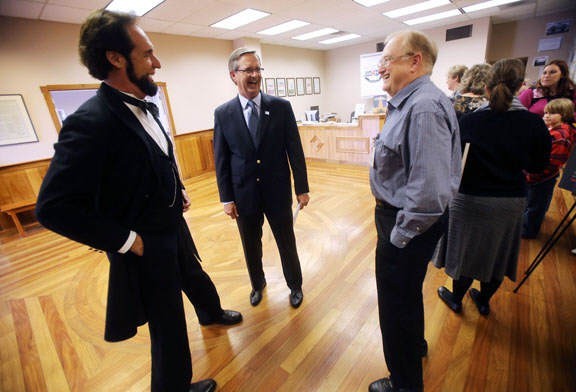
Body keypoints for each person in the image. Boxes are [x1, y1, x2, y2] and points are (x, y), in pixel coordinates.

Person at [35, 9, 242, 392]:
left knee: (193, 273)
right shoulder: (90, 121)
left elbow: (154, 158)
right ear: (115, 58)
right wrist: (127, 241)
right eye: (147, 54)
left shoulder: (144, 102)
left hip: (170, 223)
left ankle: (211, 313)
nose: (157, 62)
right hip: (144, 244)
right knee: (168, 323)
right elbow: (51, 208)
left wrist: (175, 190)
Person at [369, 31, 461, 392]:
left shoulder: (422, 107)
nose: (381, 68)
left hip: (405, 225)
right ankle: (416, 347)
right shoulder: (412, 102)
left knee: (395, 309)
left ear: (415, 61)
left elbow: (430, 192)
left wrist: (399, 237)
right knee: (406, 297)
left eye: (387, 60)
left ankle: (404, 383)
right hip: (403, 220)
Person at [435, 59, 550, 318]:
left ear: (486, 87)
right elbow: (538, 166)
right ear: (521, 86)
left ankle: (456, 298)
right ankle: (483, 301)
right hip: (509, 201)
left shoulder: (471, 122)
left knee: (466, 252)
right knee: (498, 254)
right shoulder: (534, 124)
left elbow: (451, 161)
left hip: (469, 199)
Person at [213, 48, 309, 309]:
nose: (255, 75)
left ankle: (295, 285)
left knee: (286, 242)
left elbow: (295, 150)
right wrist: (226, 199)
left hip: (277, 192)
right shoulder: (223, 114)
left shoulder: (281, 108)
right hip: (244, 196)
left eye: (258, 69)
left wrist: (302, 187)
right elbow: (221, 160)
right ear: (234, 75)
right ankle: (258, 284)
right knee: (250, 246)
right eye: (248, 70)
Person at [523, 98, 575, 238]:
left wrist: (532, 176)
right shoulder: (556, 131)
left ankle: (528, 231)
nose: (546, 115)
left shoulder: (559, 136)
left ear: (563, 114)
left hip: (541, 176)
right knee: (536, 203)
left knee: (534, 206)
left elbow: (552, 162)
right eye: (545, 112)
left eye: (552, 113)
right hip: (543, 175)